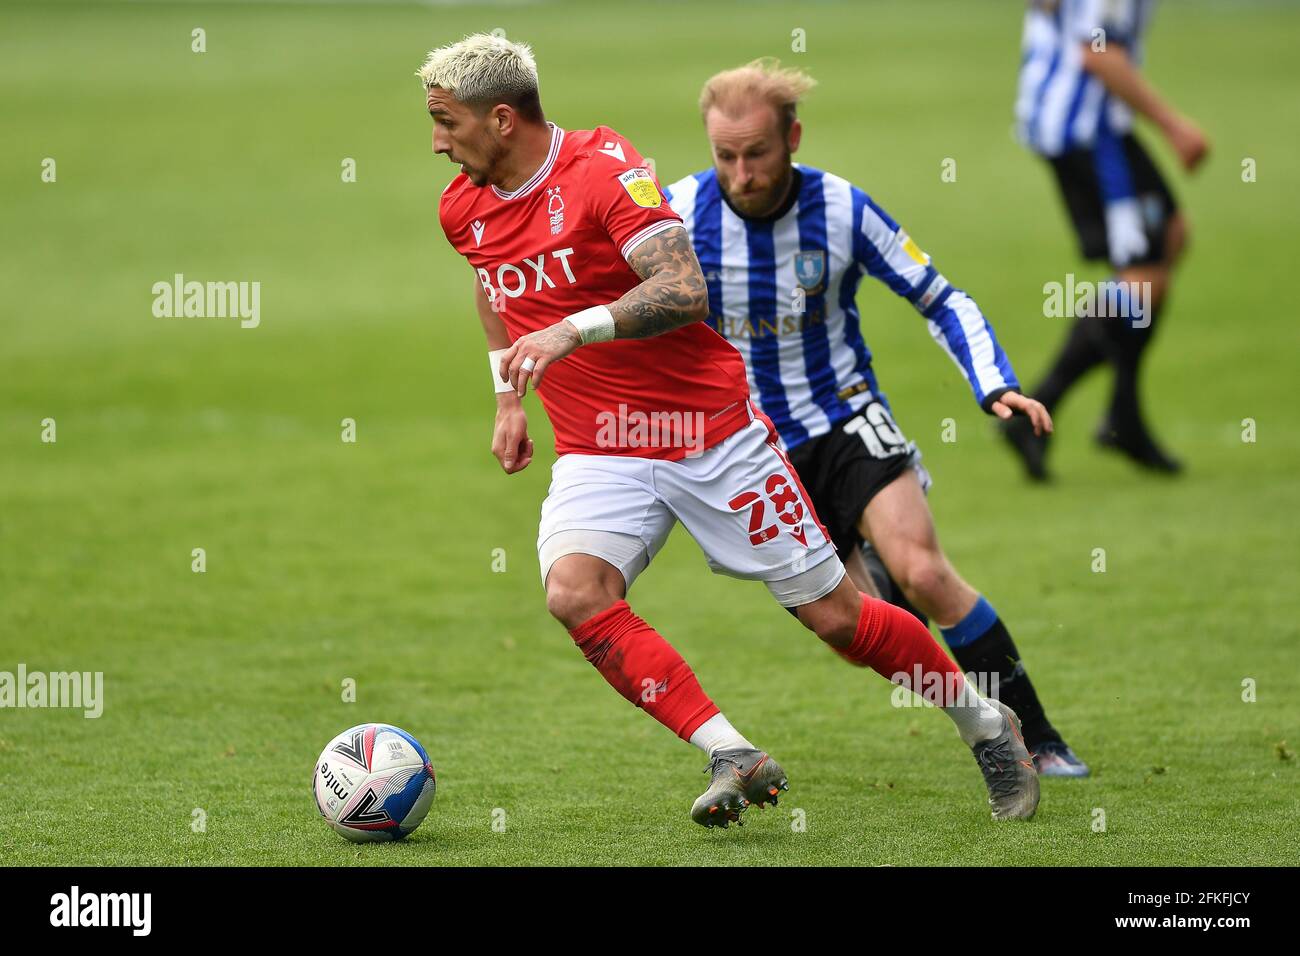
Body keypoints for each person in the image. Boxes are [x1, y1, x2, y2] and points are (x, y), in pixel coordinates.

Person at [420, 33, 1038, 826]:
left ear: (501, 119)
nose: (437, 141)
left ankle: (988, 724)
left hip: (706, 433)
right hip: (597, 444)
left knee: (838, 618)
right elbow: (493, 289)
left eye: (446, 122)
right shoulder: (461, 206)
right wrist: (507, 396)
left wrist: (575, 329)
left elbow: (683, 288)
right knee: (574, 593)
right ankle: (731, 752)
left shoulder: (605, 170)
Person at [664, 59, 1088, 776]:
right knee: (850, 632)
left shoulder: (842, 209)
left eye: (758, 153)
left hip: (846, 417)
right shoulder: (675, 215)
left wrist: (995, 386)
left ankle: (1043, 742)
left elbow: (942, 298)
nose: (742, 173)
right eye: (725, 156)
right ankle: (984, 714)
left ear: (793, 136)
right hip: (753, 453)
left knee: (923, 570)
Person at [1004, 0, 1208, 478]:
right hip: (1085, 129)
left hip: (1082, 122)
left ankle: (1117, 414)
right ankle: (1097, 415)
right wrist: (1174, 125)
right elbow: (1098, 53)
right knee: (1143, 274)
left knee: (1167, 240)